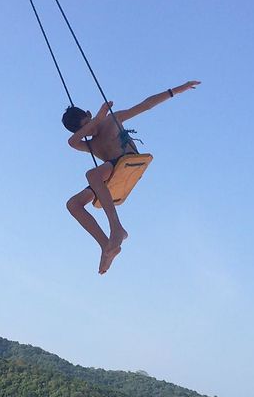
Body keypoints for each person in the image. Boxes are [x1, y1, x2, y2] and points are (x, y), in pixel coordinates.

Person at [63, 80, 200, 273]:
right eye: (85, 130)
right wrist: (94, 121)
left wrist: (176, 90)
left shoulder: (112, 120)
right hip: (111, 173)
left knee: (92, 174)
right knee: (73, 204)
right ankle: (106, 246)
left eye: (89, 123)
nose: (91, 130)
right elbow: (72, 141)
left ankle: (116, 228)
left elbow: (146, 105)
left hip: (128, 162)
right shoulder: (90, 144)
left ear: (89, 114)